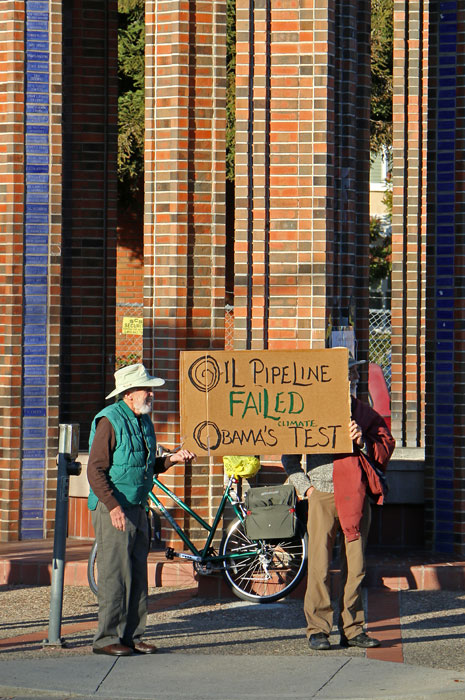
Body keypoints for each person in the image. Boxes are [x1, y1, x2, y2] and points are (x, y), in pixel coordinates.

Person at [281, 354, 395, 651]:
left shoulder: (364, 413)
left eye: (348, 381)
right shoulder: (308, 412)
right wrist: (307, 490)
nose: (344, 385)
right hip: (320, 496)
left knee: (355, 566)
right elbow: (289, 458)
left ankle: (353, 629)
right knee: (318, 564)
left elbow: (384, 449)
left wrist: (363, 443)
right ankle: (318, 629)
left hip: (355, 494)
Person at [87, 363, 195, 657]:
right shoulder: (109, 421)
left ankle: (132, 635)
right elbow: (95, 470)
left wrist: (172, 459)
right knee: (114, 574)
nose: (151, 393)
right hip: (114, 507)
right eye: (146, 389)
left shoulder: (144, 420)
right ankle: (106, 638)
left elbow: (149, 466)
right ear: (129, 394)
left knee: (137, 572)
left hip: (137, 505)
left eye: (151, 389)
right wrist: (113, 506)